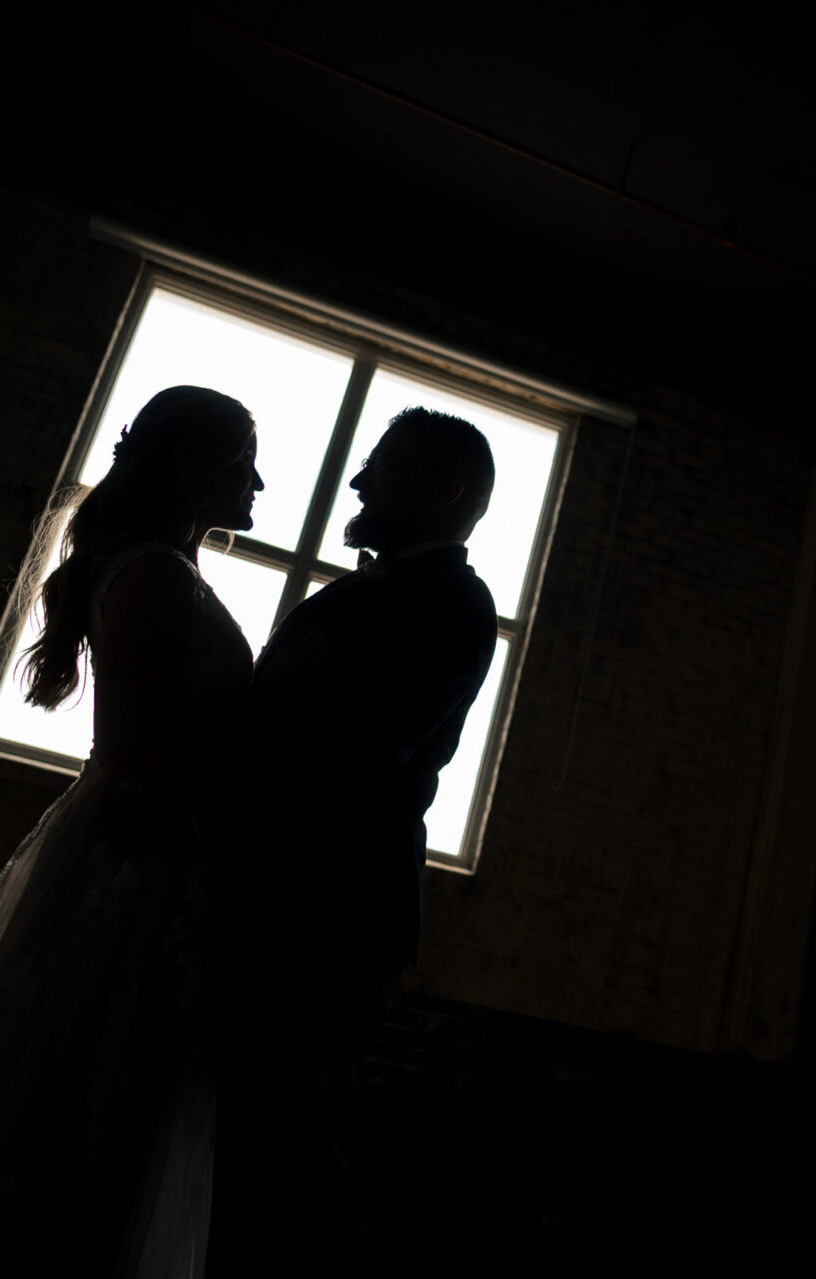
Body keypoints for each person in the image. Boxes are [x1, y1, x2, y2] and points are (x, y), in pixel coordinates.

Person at [0, 386, 264, 1277]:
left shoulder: (170, 571)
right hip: (138, 875)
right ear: (195, 467)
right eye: (244, 463)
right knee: (70, 1098)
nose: (259, 484)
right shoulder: (152, 575)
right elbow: (134, 759)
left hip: (161, 869)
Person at [210, 406, 498, 1271]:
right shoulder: (354, 594)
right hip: (272, 896)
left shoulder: (454, 603)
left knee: (290, 1149)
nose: (359, 478)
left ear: (445, 488)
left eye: (382, 462)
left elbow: (360, 748)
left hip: (330, 912)